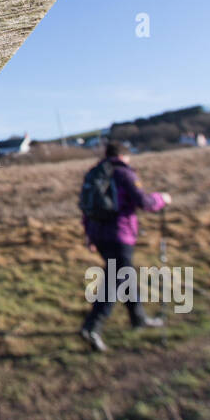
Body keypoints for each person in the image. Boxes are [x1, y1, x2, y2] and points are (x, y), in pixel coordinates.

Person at [79, 141, 172, 352]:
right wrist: (162, 199)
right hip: (119, 234)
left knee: (124, 274)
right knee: (117, 279)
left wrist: (89, 236)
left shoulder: (95, 174)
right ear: (124, 155)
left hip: (99, 234)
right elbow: (145, 202)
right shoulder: (124, 173)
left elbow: (86, 208)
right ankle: (92, 326)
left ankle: (138, 318)